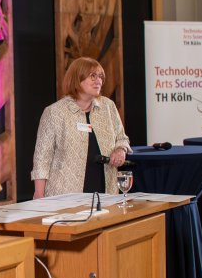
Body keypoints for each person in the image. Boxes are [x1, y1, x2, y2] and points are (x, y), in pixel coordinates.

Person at [31, 57, 131, 198]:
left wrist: (120, 150)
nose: (99, 81)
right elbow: (42, 158)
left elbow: (122, 138)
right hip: (64, 196)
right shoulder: (54, 112)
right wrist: (39, 195)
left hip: (105, 191)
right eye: (93, 76)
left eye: (100, 76)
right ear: (77, 79)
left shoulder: (108, 107)